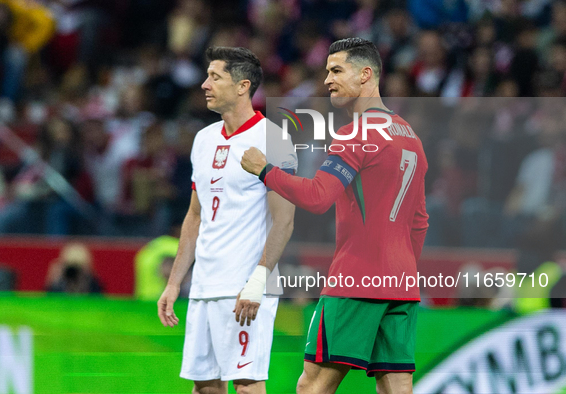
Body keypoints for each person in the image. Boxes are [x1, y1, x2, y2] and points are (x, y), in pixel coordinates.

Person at [241, 38, 429, 394]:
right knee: (397, 385)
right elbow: (419, 220)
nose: (327, 80)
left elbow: (317, 197)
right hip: (402, 283)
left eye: (337, 70)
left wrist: (264, 169)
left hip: (356, 279)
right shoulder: (411, 136)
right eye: (327, 71)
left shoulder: (355, 134)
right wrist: (398, 271)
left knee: (312, 385)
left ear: (366, 75)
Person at [157, 47, 297, 394]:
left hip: (244, 285)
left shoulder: (274, 139)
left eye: (214, 76)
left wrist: (257, 281)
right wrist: (175, 283)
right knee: (204, 386)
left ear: (242, 86)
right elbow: (195, 215)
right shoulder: (203, 140)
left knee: (247, 385)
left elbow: (285, 221)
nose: (204, 84)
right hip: (204, 284)